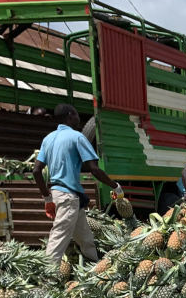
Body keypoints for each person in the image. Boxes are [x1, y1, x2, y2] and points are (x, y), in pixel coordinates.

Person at [33, 103, 121, 263]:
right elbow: (94, 169)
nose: (79, 118)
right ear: (69, 115)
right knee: (59, 236)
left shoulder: (48, 138)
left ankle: (94, 265)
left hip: (60, 194)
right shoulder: (77, 137)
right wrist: (115, 185)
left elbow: (36, 170)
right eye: (76, 114)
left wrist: (47, 198)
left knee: (85, 237)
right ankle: (47, 275)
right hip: (68, 197)